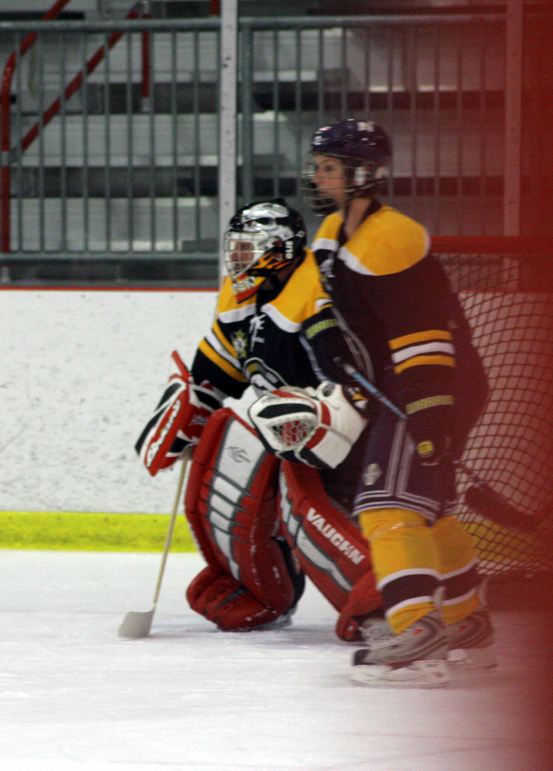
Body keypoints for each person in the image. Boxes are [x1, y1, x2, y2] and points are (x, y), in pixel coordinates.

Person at [300, 118, 494, 687]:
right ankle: (467, 626)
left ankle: (417, 639)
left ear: (363, 174)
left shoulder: (392, 238)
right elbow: (322, 296)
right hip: (408, 380)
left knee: (386, 508)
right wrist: (326, 337)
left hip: (430, 382)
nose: (318, 177)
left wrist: (430, 414)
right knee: (430, 511)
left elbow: (423, 334)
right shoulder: (334, 231)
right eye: (318, 167)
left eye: (329, 168)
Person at [134, 199, 382, 641]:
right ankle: (263, 589)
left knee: (300, 502)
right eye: (235, 248)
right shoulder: (241, 300)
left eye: (246, 249)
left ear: (279, 249)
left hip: (354, 448)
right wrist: (189, 411)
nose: (236, 259)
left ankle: (386, 605)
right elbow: (214, 374)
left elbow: (363, 387)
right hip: (293, 439)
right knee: (222, 449)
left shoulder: (317, 296)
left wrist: (322, 415)